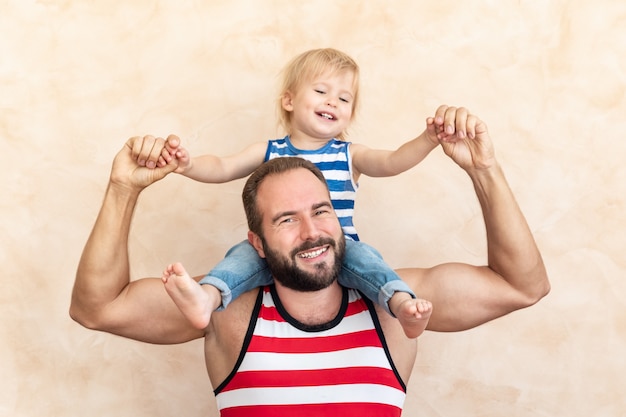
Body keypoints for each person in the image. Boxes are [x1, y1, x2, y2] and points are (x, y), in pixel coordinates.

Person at [70, 105, 550, 416]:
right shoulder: (229, 310)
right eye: (286, 220)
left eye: (322, 211)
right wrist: (122, 189)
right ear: (256, 244)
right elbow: (98, 308)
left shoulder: (393, 305)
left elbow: (521, 286)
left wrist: (485, 171)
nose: (312, 231)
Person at [142, 48, 441, 338]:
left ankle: (403, 306)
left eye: (344, 98)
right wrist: (188, 164)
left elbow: (393, 162)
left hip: (340, 249)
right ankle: (206, 299)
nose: (333, 102)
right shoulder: (269, 151)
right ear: (289, 100)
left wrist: (428, 139)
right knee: (240, 257)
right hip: (279, 252)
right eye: (321, 92)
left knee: (370, 262)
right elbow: (222, 167)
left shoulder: (350, 155)